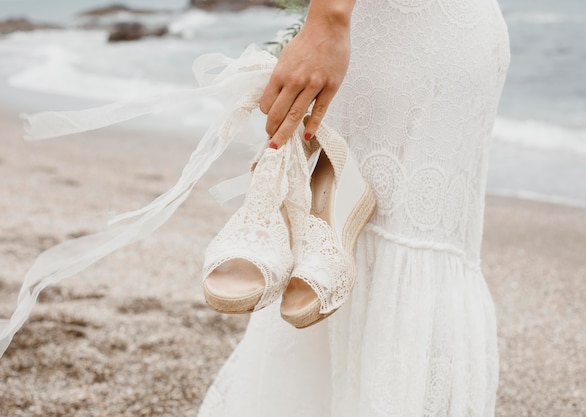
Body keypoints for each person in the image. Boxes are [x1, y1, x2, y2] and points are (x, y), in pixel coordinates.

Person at [197, 0, 511, 415]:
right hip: (380, 32)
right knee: (333, 256)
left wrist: (327, 19)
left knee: (403, 239)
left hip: (414, 35)